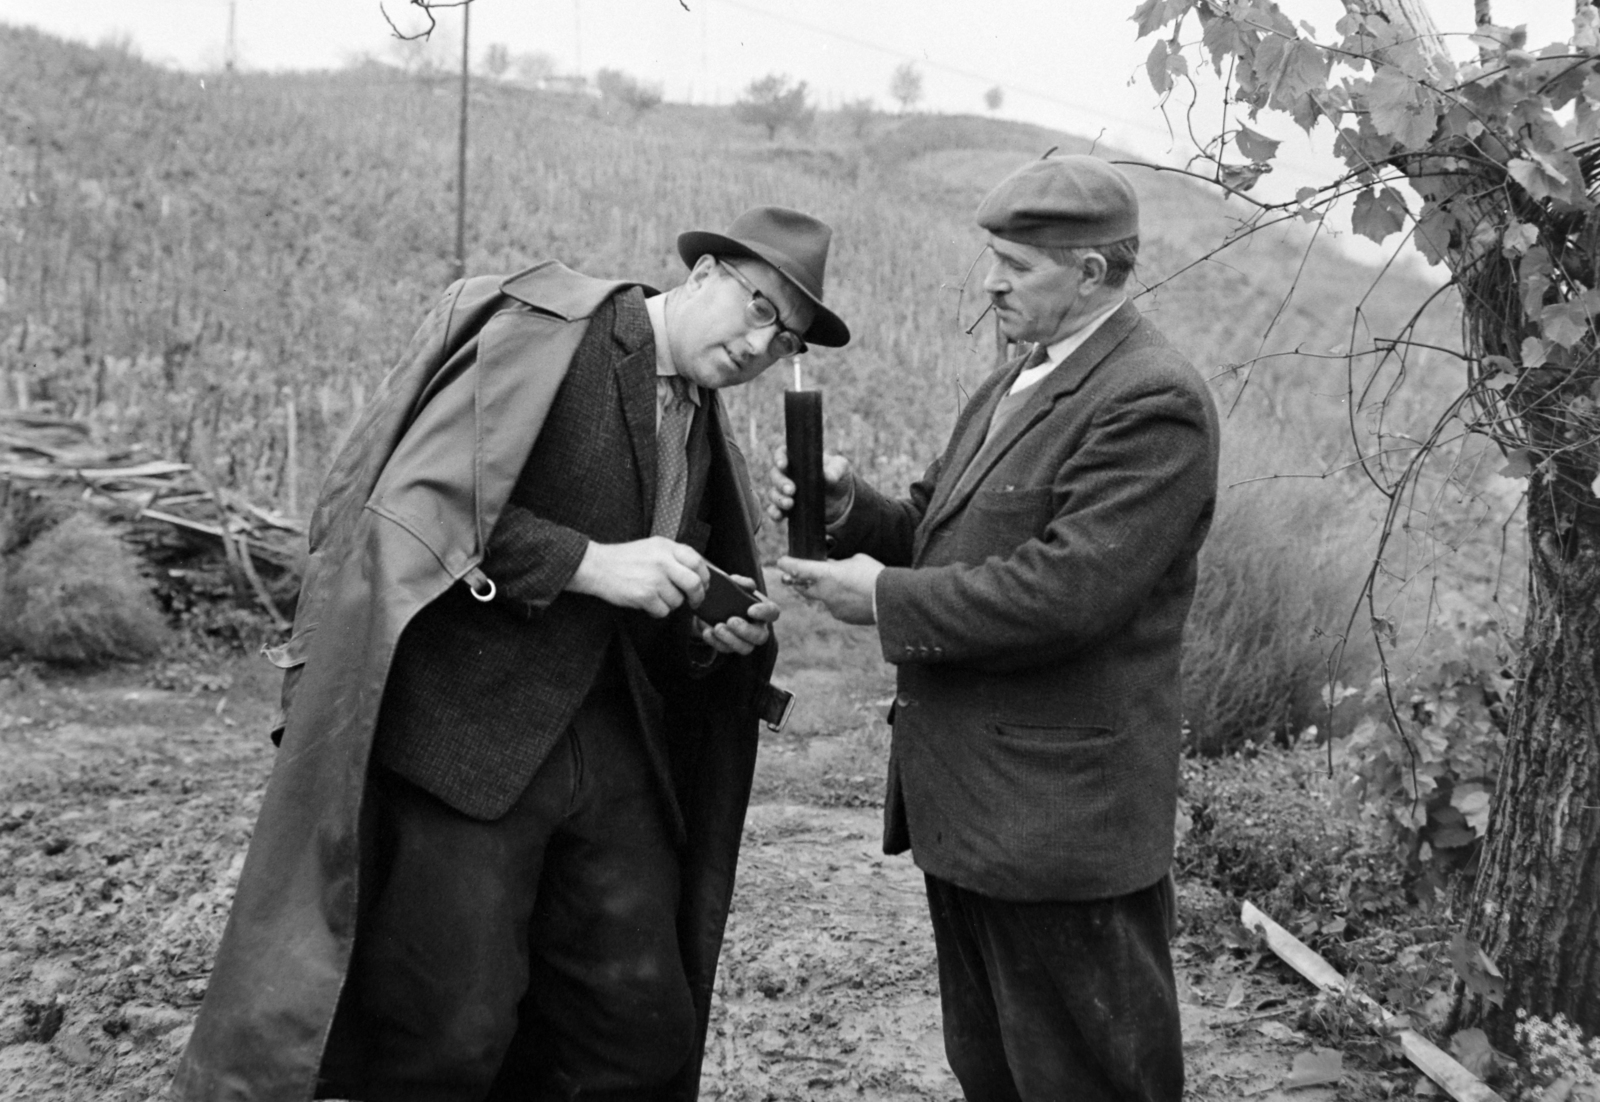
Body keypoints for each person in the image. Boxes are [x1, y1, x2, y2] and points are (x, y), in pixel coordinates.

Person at [174, 205, 850, 1102]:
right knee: (446, 1035)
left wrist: (706, 634)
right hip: (470, 743)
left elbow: (644, 600)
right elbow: (424, 508)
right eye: (761, 309)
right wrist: (591, 563)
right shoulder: (556, 335)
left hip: (612, 757)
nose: (764, 346)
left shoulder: (699, 420)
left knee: (638, 1032)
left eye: (786, 340)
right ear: (705, 275)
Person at [769, 155, 1218, 1102]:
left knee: (1085, 1080)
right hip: (976, 816)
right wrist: (849, 506)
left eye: (1015, 264)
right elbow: (937, 533)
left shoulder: (1152, 399)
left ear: (1090, 272)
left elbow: (1067, 591)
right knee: (996, 1072)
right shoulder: (1017, 381)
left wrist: (884, 600)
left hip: (1061, 831)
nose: (991, 282)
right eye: (991, 258)